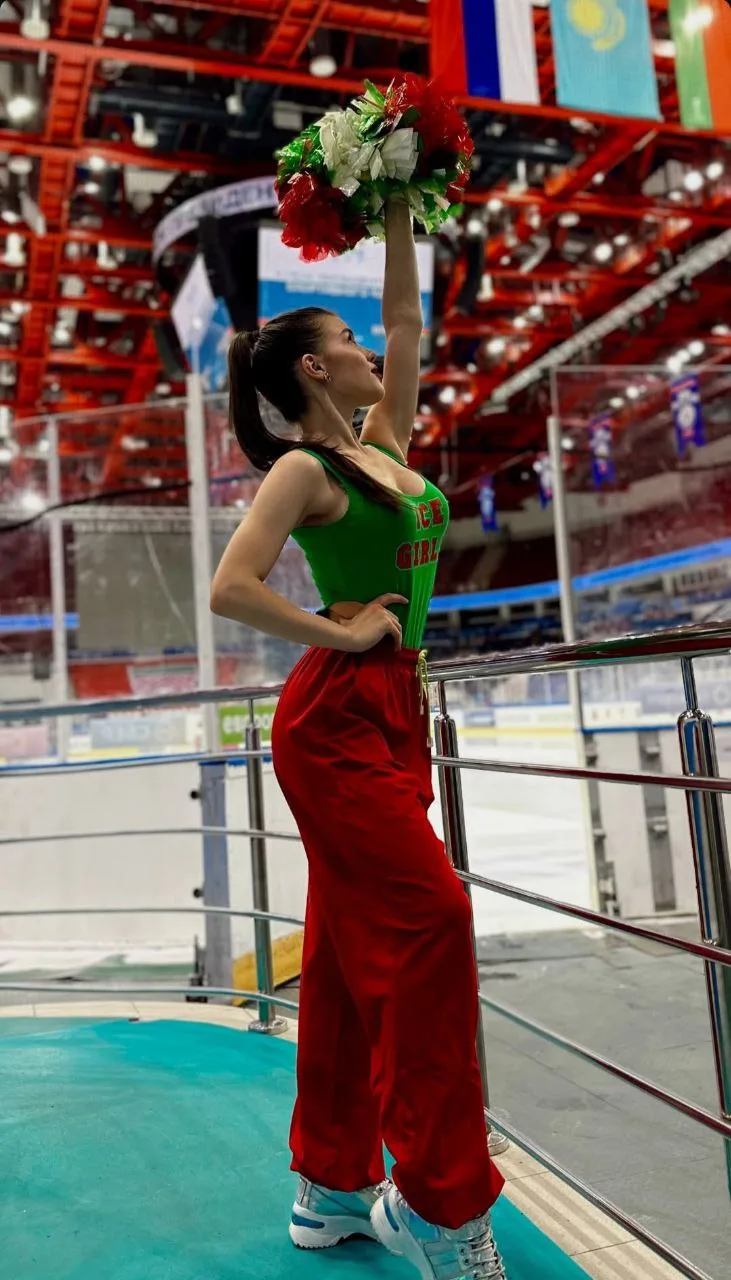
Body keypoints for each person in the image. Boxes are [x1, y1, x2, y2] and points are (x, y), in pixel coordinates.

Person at [210, 200, 506, 1280]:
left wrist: (394, 208)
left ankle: (330, 1185)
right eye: (345, 342)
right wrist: (342, 630)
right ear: (310, 372)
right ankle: (434, 1200)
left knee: (340, 952)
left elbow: (409, 322)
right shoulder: (305, 471)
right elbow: (230, 586)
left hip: (395, 713)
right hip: (335, 716)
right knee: (432, 919)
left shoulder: (381, 448)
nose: (368, 347)